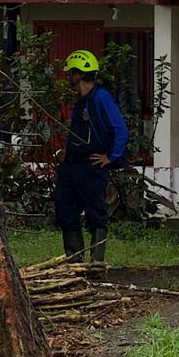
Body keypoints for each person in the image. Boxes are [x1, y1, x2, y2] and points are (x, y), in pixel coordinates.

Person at [53, 47, 128, 274]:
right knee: (65, 209)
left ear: (79, 74)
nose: (68, 78)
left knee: (96, 213)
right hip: (72, 165)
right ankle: (75, 263)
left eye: (71, 73)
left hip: (91, 165)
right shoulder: (81, 101)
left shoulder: (100, 97)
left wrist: (111, 157)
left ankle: (96, 265)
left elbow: (121, 129)